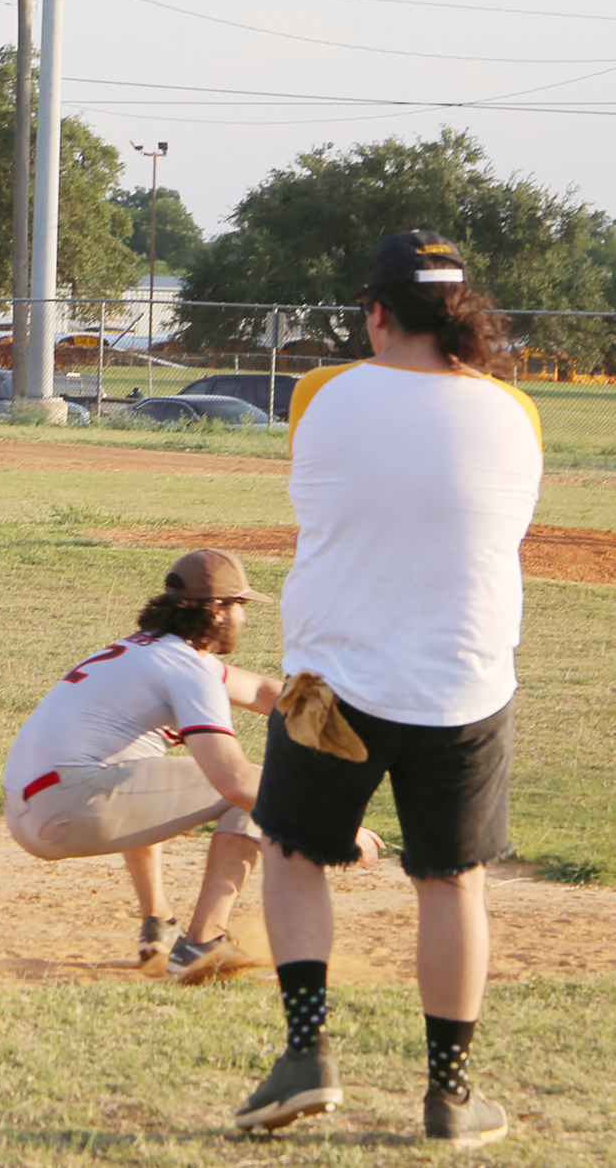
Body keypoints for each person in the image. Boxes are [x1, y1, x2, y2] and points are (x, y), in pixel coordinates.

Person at [235, 231, 542, 1148]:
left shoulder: (319, 393)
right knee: (452, 883)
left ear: (375, 311)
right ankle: (449, 1094)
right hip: (465, 683)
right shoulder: (516, 409)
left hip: (330, 684)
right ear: (462, 312)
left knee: (291, 852)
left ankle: (304, 1056)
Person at [2, 550, 379, 977]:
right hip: (71, 803)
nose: (244, 617)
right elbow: (235, 783)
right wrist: (335, 822)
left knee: (143, 769)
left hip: (29, 811)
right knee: (256, 786)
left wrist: (345, 719)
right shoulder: (185, 667)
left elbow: (257, 691)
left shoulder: (148, 651)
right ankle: (202, 943)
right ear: (217, 610)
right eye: (240, 605)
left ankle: (158, 922)